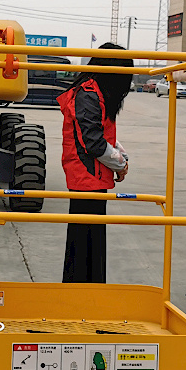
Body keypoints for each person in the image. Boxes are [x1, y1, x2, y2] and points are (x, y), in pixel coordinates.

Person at [56, 43, 133, 283]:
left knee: (89, 241)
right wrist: (120, 164)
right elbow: (93, 142)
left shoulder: (94, 92)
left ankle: (88, 290)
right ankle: (82, 293)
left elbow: (102, 134)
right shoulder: (88, 94)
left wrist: (122, 158)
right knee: (84, 243)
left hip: (91, 178)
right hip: (85, 178)